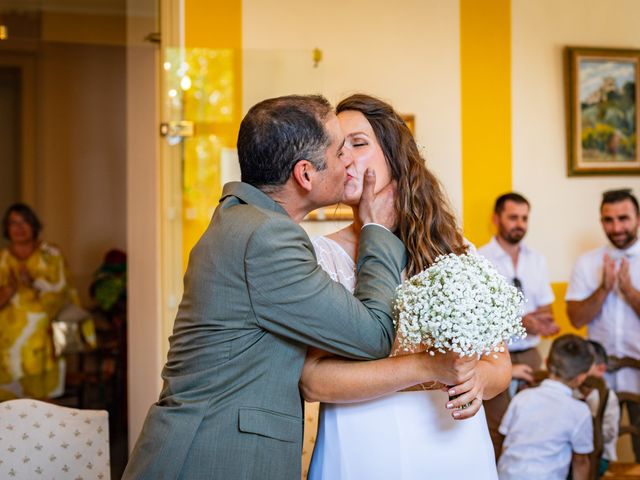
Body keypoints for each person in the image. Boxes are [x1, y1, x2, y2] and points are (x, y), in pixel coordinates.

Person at [123, 95, 408, 480]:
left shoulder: (246, 222)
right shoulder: (267, 238)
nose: (349, 162)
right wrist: (376, 229)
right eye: (341, 150)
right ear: (305, 174)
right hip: (213, 458)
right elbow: (374, 337)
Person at [301, 94, 511, 480]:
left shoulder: (455, 248)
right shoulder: (320, 255)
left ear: (396, 156)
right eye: (336, 148)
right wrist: (425, 366)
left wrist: (478, 379)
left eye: (359, 143)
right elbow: (314, 381)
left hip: (452, 437)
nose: (345, 157)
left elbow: (500, 365)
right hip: (361, 439)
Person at [479, 192, 559, 458]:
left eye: (524, 218)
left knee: (535, 426)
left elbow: (546, 305)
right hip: (494, 356)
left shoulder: (537, 259)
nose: (520, 224)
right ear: (496, 219)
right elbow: (478, 316)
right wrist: (520, 321)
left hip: (532, 355)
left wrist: (541, 321)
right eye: (513, 217)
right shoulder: (479, 258)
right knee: (496, 428)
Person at [566, 188, 640, 460]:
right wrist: (604, 289)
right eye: (608, 220)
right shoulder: (587, 263)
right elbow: (576, 319)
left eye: (623, 218)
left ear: (638, 219)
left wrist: (630, 292)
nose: (616, 227)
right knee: (594, 452)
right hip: (598, 375)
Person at [0, 203, 93, 400]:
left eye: (24, 222)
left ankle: (40, 412)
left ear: (34, 225)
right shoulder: (3, 258)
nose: (19, 228)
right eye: (13, 223)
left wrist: (33, 283)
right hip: (6, 334)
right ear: (7, 228)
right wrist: (8, 291)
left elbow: (62, 291)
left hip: (43, 326)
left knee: (38, 331)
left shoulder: (51, 254)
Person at [497, 334, 594, 480]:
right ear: (581, 377)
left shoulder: (522, 397)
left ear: (547, 362)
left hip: (507, 474)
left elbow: (504, 440)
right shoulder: (580, 411)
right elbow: (580, 460)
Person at [575, 340, 620, 477]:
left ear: (601, 369)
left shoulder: (608, 397)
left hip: (600, 456)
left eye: (584, 364)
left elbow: (609, 433)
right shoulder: (570, 392)